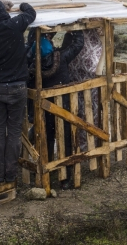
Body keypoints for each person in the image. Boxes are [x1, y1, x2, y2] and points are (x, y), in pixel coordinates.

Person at [0, 0, 36, 184]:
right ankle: (11, 174)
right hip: (17, 86)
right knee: (13, 132)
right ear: (3, 10)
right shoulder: (15, 24)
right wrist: (20, 6)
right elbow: (31, 13)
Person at [27, 29, 84, 189]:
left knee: (46, 139)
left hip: (44, 111)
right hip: (62, 108)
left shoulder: (33, 65)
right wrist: (76, 28)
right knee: (65, 140)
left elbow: (31, 45)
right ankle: (65, 177)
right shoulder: (61, 58)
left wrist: (36, 35)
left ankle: (45, 168)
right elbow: (78, 44)